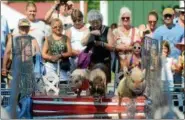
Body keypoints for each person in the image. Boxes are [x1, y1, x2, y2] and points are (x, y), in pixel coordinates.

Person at [2, 18, 40, 88]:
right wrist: (4, 67)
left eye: (26, 27)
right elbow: (7, 53)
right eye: (22, 27)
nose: (24, 29)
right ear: (19, 27)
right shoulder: (12, 38)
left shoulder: (33, 39)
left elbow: (38, 55)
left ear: (29, 28)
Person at [81, 9, 113, 83]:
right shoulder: (89, 29)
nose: (95, 25)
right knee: (92, 82)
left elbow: (112, 47)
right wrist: (90, 33)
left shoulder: (107, 30)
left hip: (105, 60)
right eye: (92, 23)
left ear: (101, 21)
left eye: (96, 22)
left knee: (104, 82)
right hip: (92, 61)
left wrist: (101, 43)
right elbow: (83, 43)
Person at [42, 18, 72, 83]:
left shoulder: (66, 38)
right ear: (52, 28)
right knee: (51, 85)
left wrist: (60, 55)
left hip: (63, 65)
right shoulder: (48, 39)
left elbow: (70, 52)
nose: (58, 28)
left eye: (60, 27)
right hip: (51, 66)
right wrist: (51, 57)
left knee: (63, 84)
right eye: (55, 27)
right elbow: (43, 54)